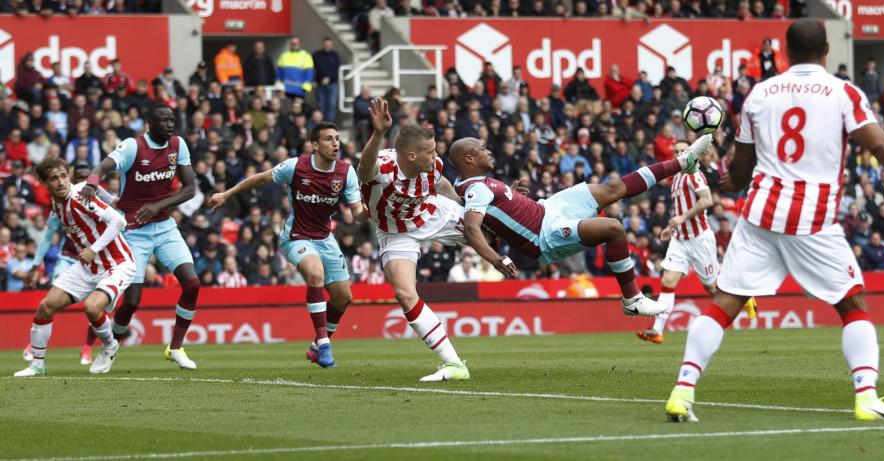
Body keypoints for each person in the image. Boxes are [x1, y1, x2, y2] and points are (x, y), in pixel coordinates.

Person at [664, 18, 884, 423]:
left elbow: (741, 172)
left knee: (725, 302)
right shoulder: (843, 92)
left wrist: (728, 181)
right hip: (812, 218)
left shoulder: (760, 93)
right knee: (853, 305)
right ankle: (866, 397)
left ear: (786, 51)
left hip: (760, 213)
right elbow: (882, 145)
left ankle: (682, 390)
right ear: (827, 50)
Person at [449, 134, 711, 317]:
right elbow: (474, 229)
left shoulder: (479, 184)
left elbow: (495, 217)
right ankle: (632, 299)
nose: (488, 151)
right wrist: (497, 260)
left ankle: (683, 162)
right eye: (482, 149)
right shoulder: (475, 190)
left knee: (614, 187)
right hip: (545, 236)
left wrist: (514, 198)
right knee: (614, 228)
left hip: (547, 208)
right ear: (469, 159)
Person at [211, 122, 362, 367]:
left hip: (325, 238)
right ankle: (324, 345)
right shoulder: (295, 167)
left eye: (337, 138)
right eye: (328, 139)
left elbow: (356, 209)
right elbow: (260, 179)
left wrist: (364, 213)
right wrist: (226, 194)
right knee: (315, 275)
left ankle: (315, 347)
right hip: (297, 236)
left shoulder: (346, 172)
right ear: (315, 145)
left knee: (343, 297)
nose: (336, 143)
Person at [81, 105, 202, 370]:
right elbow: (103, 166)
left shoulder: (178, 144)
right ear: (150, 123)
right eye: (164, 120)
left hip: (165, 227)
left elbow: (190, 189)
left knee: (192, 284)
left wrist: (158, 206)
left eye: (172, 120)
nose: (170, 125)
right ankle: (109, 348)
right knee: (133, 301)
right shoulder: (133, 147)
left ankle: (176, 347)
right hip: (133, 231)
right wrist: (92, 181)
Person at [358, 98, 470, 382]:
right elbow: (364, 170)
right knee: (404, 293)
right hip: (397, 233)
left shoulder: (432, 162)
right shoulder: (384, 168)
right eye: (430, 152)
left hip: (431, 212)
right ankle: (454, 364)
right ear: (410, 156)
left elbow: (440, 181)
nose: (435, 156)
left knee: (489, 231)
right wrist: (378, 134)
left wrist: (462, 204)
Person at [14, 157, 134, 377]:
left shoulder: (81, 196)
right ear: (44, 184)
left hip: (117, 264)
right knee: (45, 306)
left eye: (63, 176)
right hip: (88, 267)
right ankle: (37, 365)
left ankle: (109, 346)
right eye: (54, 178)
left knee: (92, 307)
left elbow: (119, 221)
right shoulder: (56, 205)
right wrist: (35, 265)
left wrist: (93, 250)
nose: (61, 182)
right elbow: (48, 234)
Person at [636, 141, 757, 344]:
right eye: (675, 152)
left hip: (699, 239)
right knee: (667, 282)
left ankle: (745, 298)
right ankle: (657, 330)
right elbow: (680, 210)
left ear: (691, 153)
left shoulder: (693, 173)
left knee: (711, 287)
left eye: (682, 151)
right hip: (680, 239)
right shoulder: (675, 178)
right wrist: (671, 226)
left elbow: (707, 200)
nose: (678, 154)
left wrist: (682, 219)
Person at [313, 37, 341, 123]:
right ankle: (322, 125)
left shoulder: (335, 55)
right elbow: (312, 69)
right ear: (323, 44)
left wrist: (329, 78)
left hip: (332, 85)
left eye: (329, 44)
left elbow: (337, 70)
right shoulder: (316, 55)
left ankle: (330, 125)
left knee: (331, 106)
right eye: (326, 44)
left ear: (331, 45)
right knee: (321, 105)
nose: (327, 46)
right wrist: (313, 80)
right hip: (319, 85)